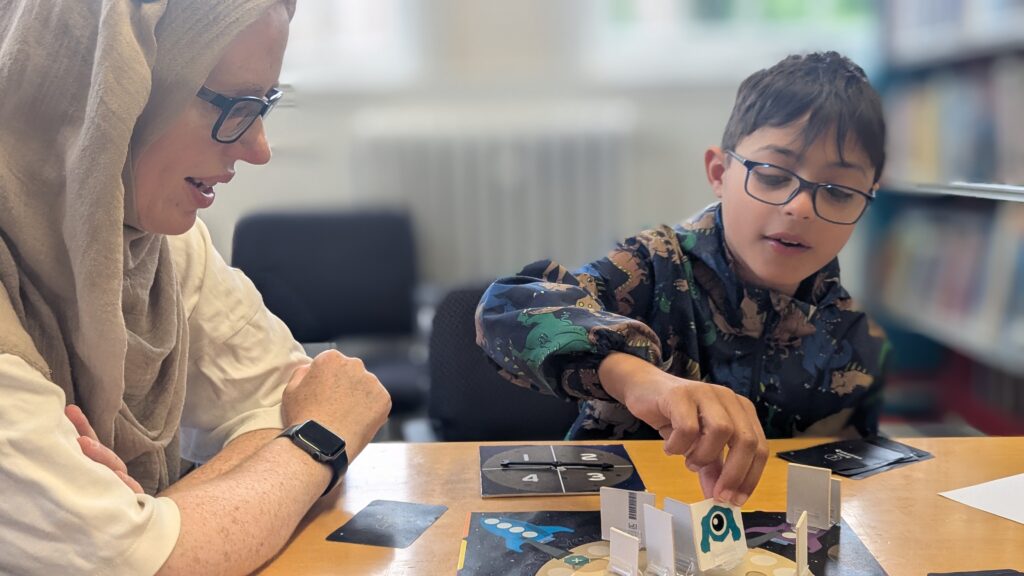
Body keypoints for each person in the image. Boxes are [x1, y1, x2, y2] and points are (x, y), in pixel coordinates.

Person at [0, 1, 391, 574]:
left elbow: (286, 402)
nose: (258, 149)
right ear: (101, 94)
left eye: (265, 105)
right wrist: (319, 443)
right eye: (235, 105)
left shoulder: (156, 243)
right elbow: (141, 563)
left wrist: (146, 516)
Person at [477, 52, 889, 508]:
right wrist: (637, 379)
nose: (801, 207)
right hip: (616, 528)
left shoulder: (853, 335)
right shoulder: (652, 268)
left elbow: (851, 488)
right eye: (772, 176)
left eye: (836, 191)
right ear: (719, 173)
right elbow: (507, 306)